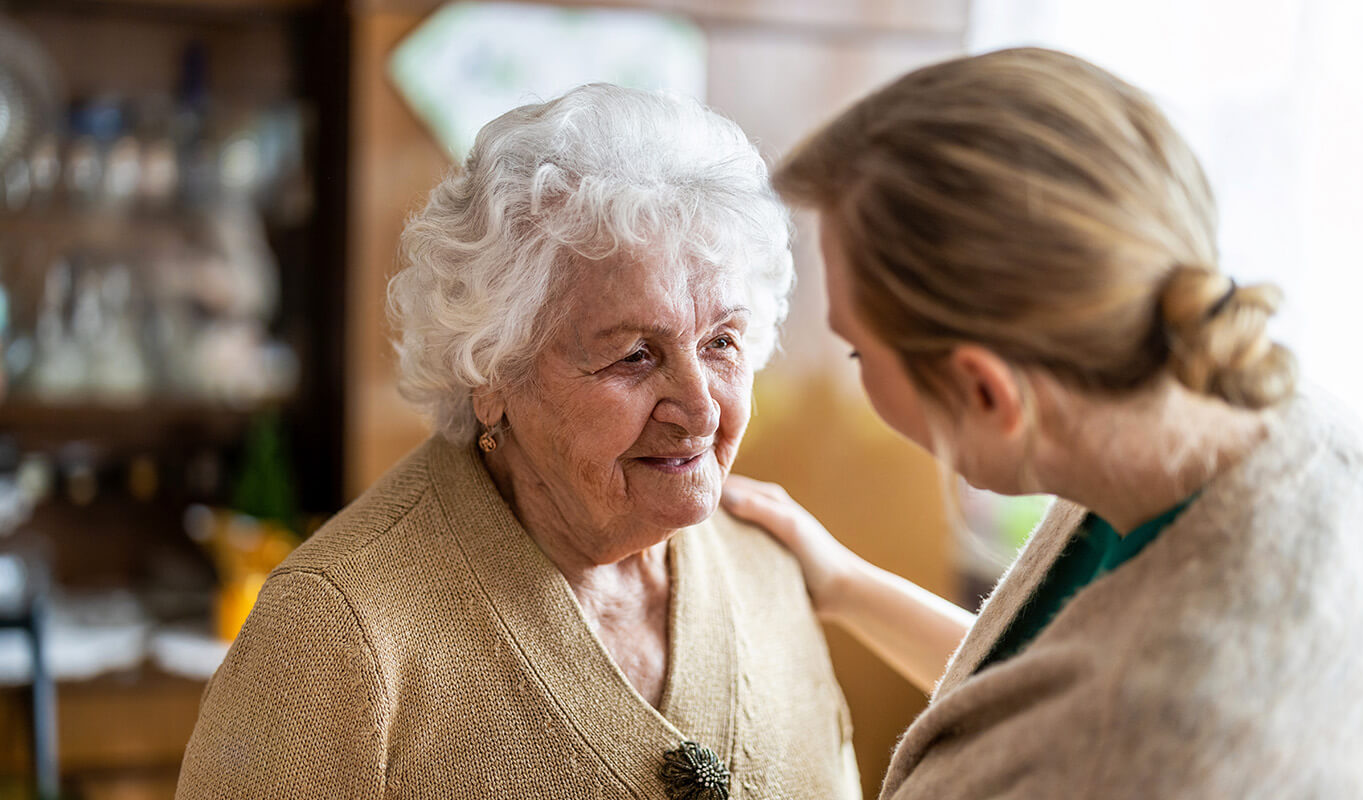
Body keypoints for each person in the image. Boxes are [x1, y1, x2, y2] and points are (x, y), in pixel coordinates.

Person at [724, 47, 1363, 799]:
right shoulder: (1269, 424)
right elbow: (1040, 693)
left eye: (855, 351)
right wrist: (845, 583)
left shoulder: (1163, 745)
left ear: (985, 391)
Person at [176, 85, 860, 800]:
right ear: (491, 371)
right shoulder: (333, 636)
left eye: (722, 342)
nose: (698, 410)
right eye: (634, 355)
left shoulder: (771, 572)